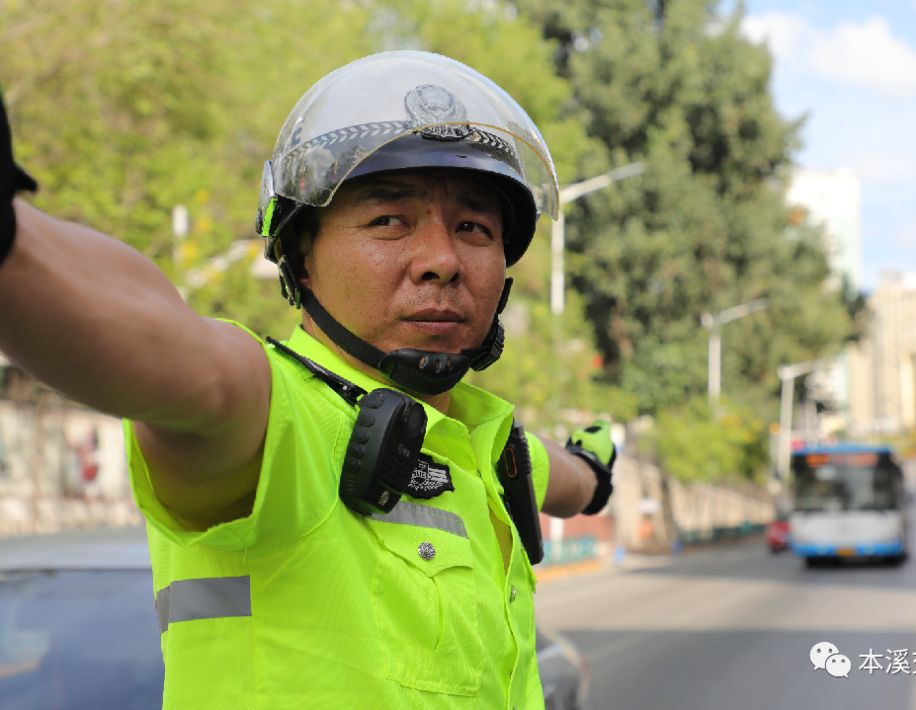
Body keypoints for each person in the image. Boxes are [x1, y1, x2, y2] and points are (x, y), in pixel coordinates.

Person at [0, 51, 616, 708]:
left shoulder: (485, 441)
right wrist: (13, 246)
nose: (441, 260)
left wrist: (596, 466)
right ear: (301, 257)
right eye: (389, 221)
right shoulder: (270, 418)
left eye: (472, 227)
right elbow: (174, 358)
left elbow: (562, 472)